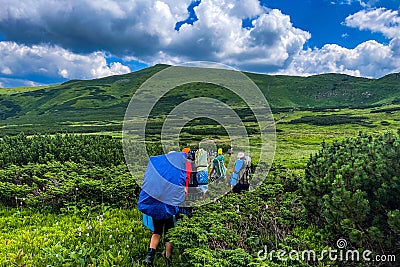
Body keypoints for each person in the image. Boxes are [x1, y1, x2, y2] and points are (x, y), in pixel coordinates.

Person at [138, 152, 187, 266]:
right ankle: (168, 259)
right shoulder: (174, 173)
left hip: (156, 206)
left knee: (157, 231)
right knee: (169, 233)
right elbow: (180, 190)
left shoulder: (158, 173)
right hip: (168, 207)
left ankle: (149, 258)